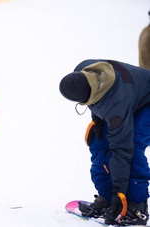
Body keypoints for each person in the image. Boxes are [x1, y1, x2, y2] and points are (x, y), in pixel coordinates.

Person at [59, 59, 150, 225]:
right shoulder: (83, 69)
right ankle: (107, 198)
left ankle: (137, 207)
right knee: (98, 142)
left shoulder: (116, 106)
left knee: (133, 146)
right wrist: (99, 121)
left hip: (146, 102)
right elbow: (96, 99)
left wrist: (119, 192)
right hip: (129, 98)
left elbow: (122, 150)